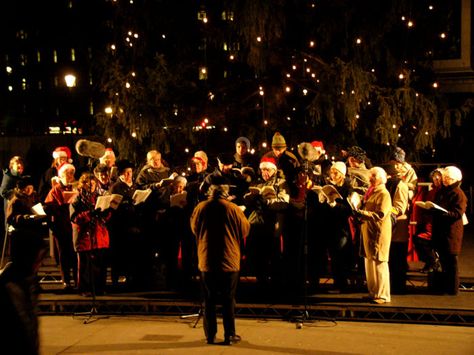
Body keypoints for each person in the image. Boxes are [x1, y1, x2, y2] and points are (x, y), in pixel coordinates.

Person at [190, 178, 250, 345]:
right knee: (228, 299)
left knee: (208, 299)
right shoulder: (233, 208)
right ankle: (229, 335)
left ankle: (210, 335)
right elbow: (245, 230)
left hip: (207, 260)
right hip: (229, 261)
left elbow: (194, 228)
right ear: (226, 193)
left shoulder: (200, 207)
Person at [1, 175, 48, 355]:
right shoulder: (15, 200)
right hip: (22, 238)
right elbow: (11, 219)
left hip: (32, 234)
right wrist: (26, 217)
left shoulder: (32, 197)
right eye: (28, 188)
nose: (30, 190)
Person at [243, 156, 289, 290]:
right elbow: (247, 200)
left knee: (273, 255)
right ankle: (260, 282)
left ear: (274, 170)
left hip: (272, 224)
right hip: (256, 223)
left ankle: (276, 284)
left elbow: (284, 202)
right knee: (258, 257)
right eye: (262, 170)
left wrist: (268, 202)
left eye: (267, 170)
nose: (265, 173)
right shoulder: (256, 183)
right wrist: (250, 199)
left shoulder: (281, 183)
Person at [429, 166, 468, 295]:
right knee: (444, 261)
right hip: (441, 231)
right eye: (444, 177)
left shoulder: (458, 193)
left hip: (451, 232)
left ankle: (453, 289)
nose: (445, 180)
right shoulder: (442, 191)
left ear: (455, 179)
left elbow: (457, 213)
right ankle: (445, 287)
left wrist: (441, 213)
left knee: (452, 262)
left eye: (448, 178)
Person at [356, 167, 392, 304]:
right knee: (369, 263)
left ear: (382, 178)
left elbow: (380, 215)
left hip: (378, 233)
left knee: (380, 263)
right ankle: (373, 292)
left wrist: (361, 213)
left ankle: (383, 295)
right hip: (368, 231)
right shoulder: (370, 192)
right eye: (370, 175)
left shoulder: (384, 194)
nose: (370, 178)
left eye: (374, 176)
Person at [44, 163, 78, 290]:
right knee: (64, 255)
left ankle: (76, 279)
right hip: (61, 227)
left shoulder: (76, 188)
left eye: (72, 173)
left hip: (74, 227)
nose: (70, 176)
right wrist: (62, 206)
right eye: (67, 173)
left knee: (75, 254)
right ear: (61, 175)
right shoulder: (55, 190)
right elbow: (48, 207)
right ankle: (66, 281)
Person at [385, 163, 410, 294]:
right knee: (391, 259)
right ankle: (392, 286)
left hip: (397, 229)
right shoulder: (389, 185)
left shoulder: (400, 186)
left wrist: (385, 213)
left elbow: (400, 207)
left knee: (398, 260)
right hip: (388, 228)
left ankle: (399, 287)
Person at [413, 169, 443, 273]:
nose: (436, 178)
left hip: (437, 223)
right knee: (416, 238)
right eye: (434, 176)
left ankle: (433, 262)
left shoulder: (444, 191)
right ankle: (430, 262)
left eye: (438, 176)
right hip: (428, 220)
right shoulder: (431, 191)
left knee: (421, 239)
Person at [262, 132, 300, 197]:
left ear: (285, 148)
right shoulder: (266, 157)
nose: (277, 152)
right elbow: (259, 173)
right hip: (270, 190)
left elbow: (298, 173)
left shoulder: (292, 158)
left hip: (287, 190)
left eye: (280, 149)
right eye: (275, 149)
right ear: (272, 148)